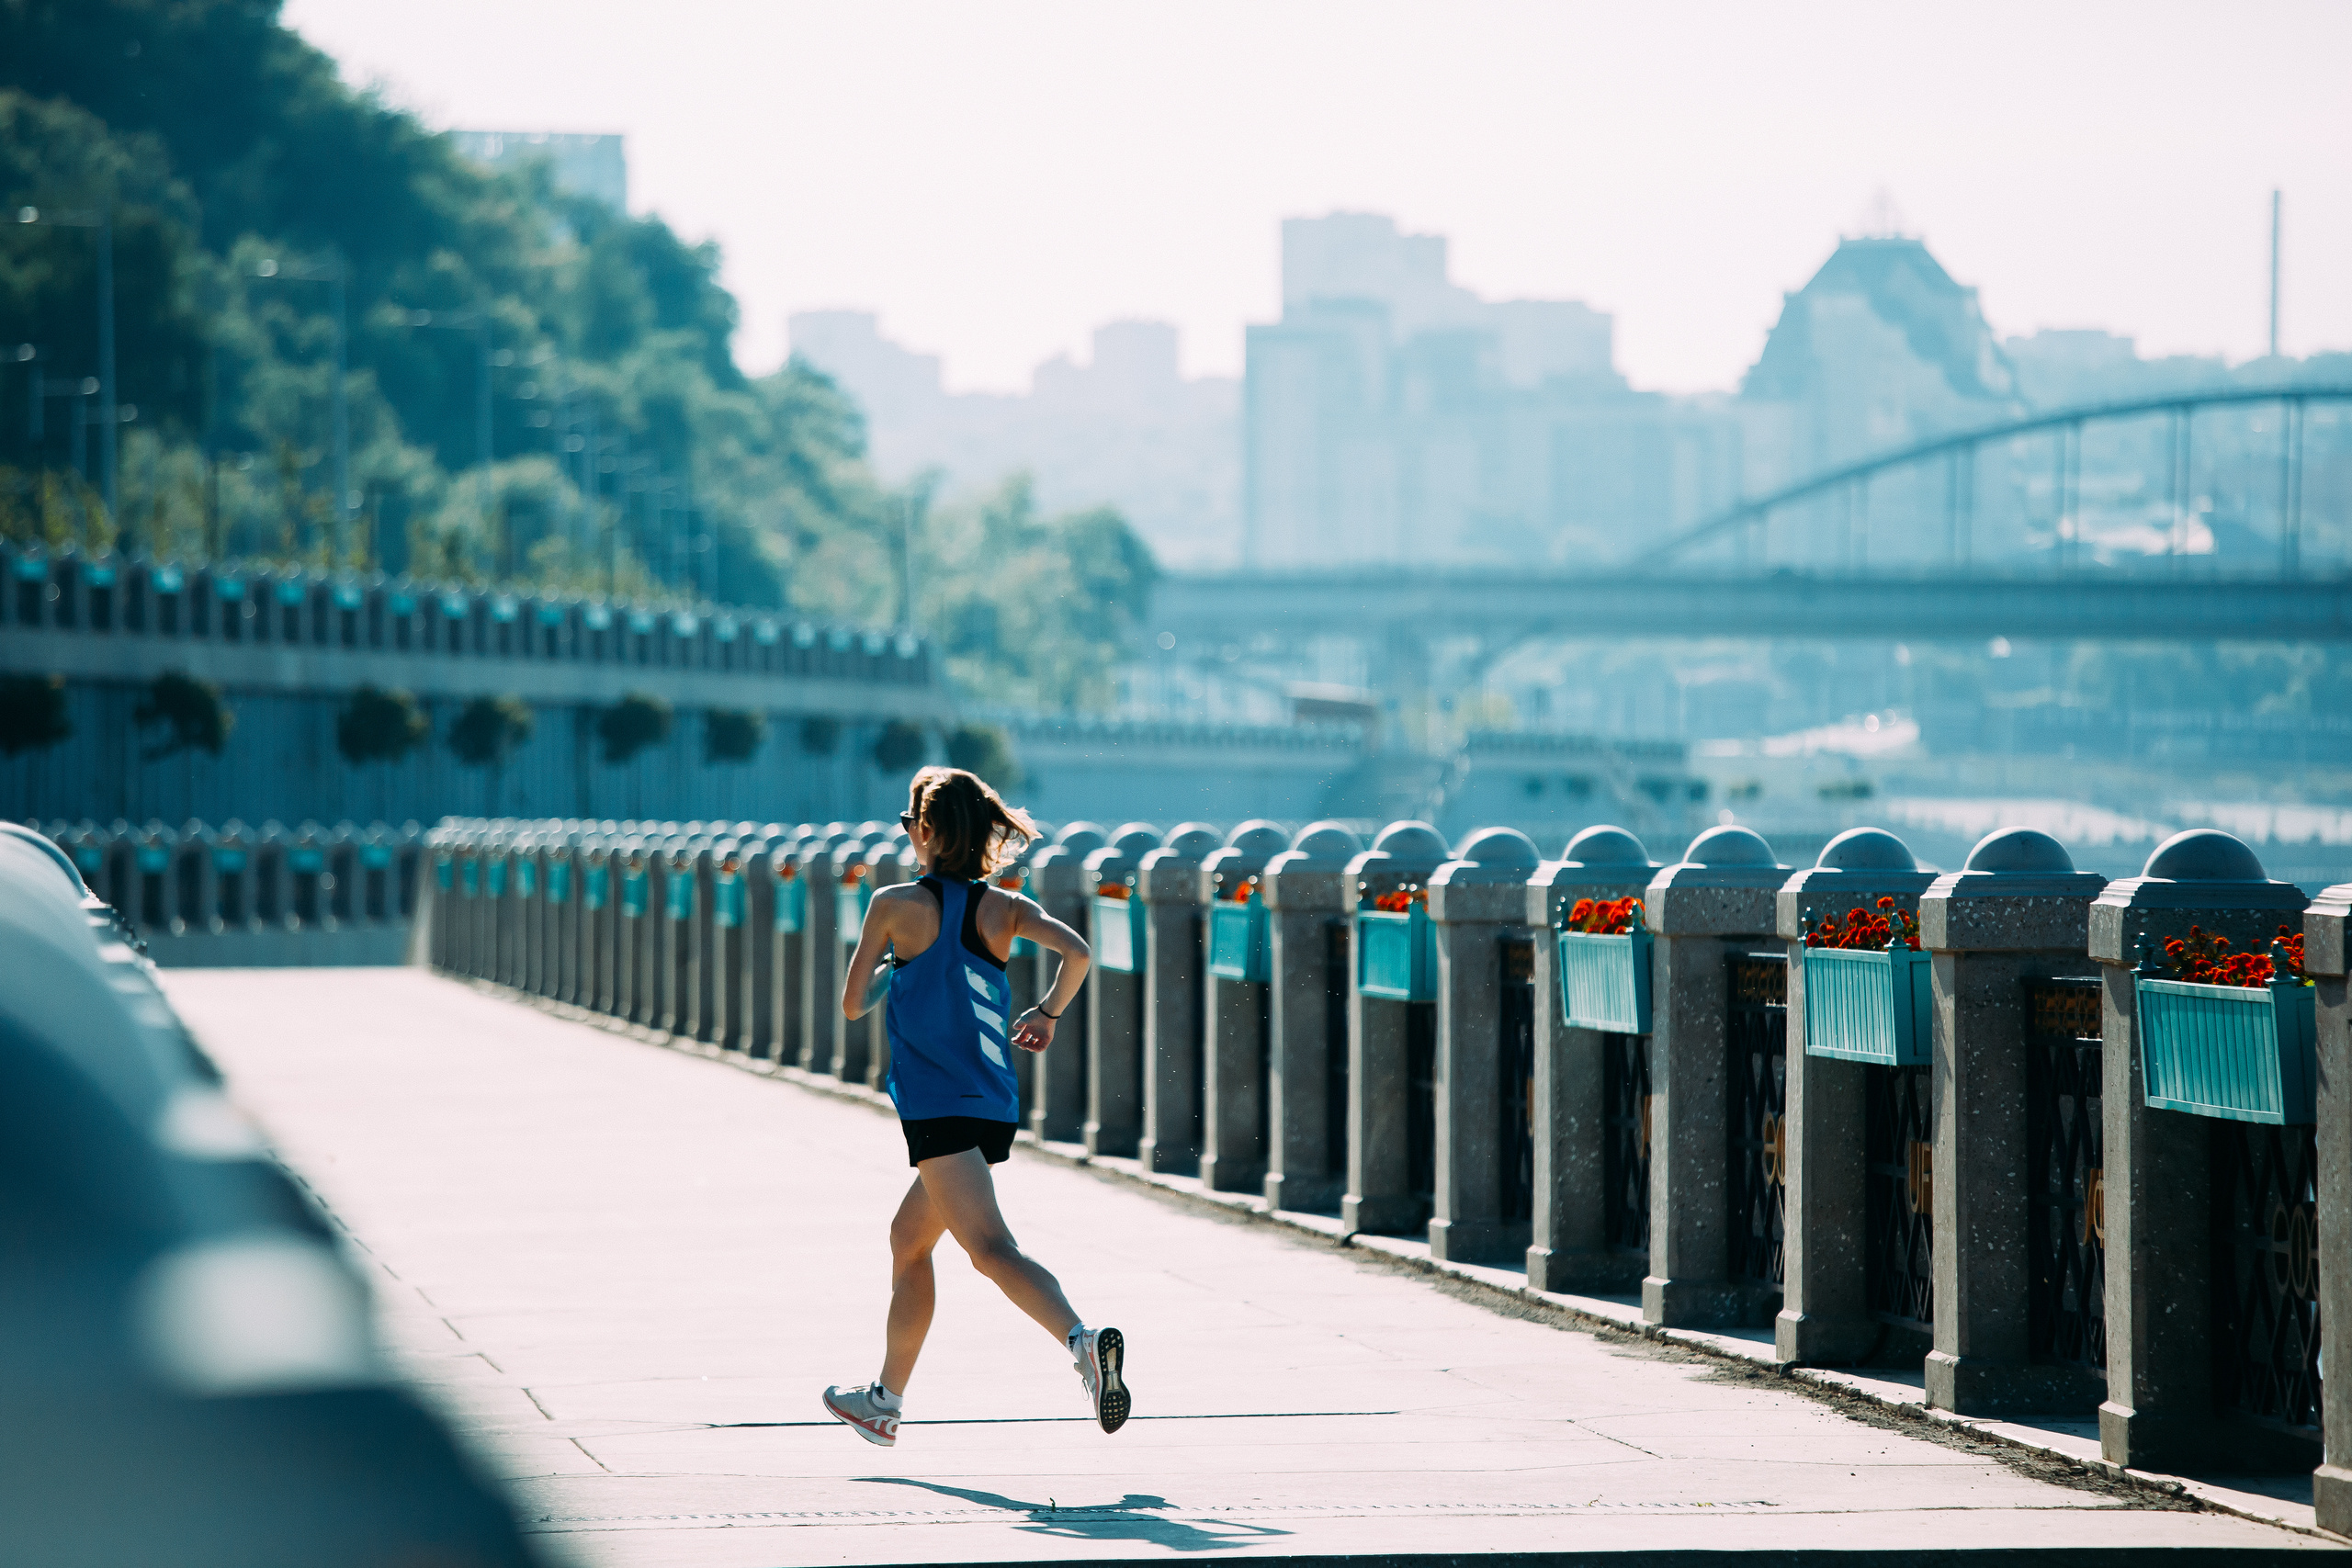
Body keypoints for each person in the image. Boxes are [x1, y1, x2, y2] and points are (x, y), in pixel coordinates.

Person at [820, 767, 1125, 1448]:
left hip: (937, 1104)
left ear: (927, 831)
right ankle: (883, 1403)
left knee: (989, 1248)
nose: (908, 832)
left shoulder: (894, 904)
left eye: (909, 823)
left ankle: (1082, 1340)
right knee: (909, 1240)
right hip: (990, 1102)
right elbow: (1077, 953)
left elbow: (852, 1004)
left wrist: (898, 966)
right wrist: (1046, 1013)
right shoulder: (1006, 907)